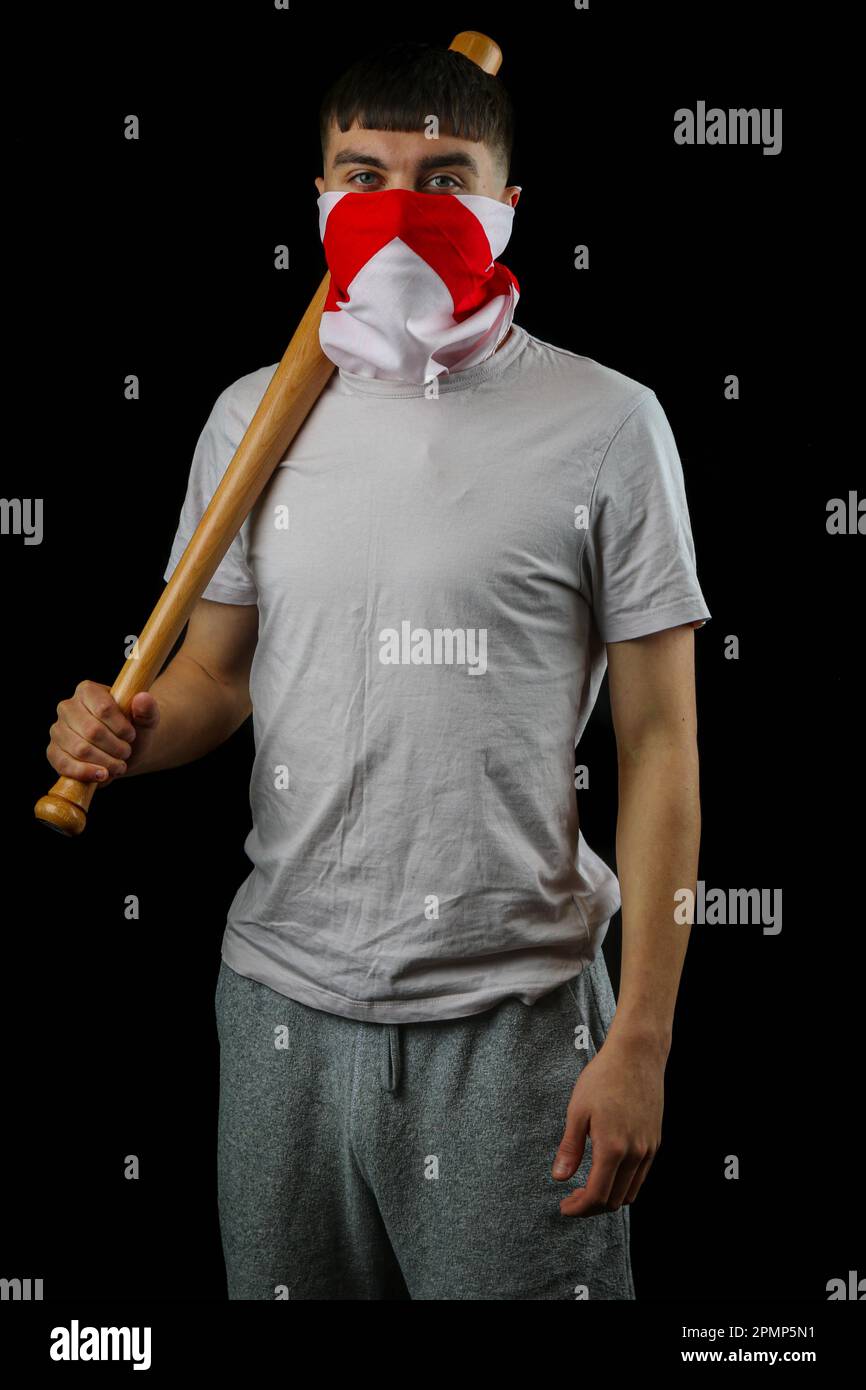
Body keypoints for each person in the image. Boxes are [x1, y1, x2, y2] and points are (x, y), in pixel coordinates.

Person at [45, 41, 711, 1300]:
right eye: (366, 173)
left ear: (507, 208)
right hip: (278, 1003)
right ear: (317, 197)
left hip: (515, 1021)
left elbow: (661, 742)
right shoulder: (253, 418)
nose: (401, 208)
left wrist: (642, 1039)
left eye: (444, 178)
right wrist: (125, 732)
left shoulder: (610, 424)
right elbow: (217, 681)